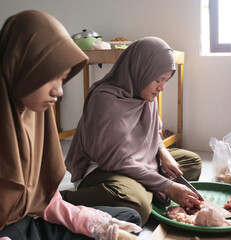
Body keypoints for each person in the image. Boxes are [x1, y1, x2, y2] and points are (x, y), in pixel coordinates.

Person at [0, 10, 141, 240]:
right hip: (8, 232)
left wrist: (96, 225)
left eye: (63, 78)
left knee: (128, 218)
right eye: (50, 77)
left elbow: (45, 200)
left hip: (33, 218)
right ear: (22, 67)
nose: (59, 91)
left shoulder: (36, 113)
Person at [61, 36, 202, 226]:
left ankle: (146, 189)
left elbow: (154, 134)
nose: (162, 87)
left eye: (166, 80)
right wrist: (166, 186)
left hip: (140, 161)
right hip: (102, 170)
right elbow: (115, 160)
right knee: (138, 206)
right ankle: (65, 199)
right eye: (158, 80)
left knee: (192, 162)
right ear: (141, 70)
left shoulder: (145, 94)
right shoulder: (104, 100)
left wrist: (164, 153)